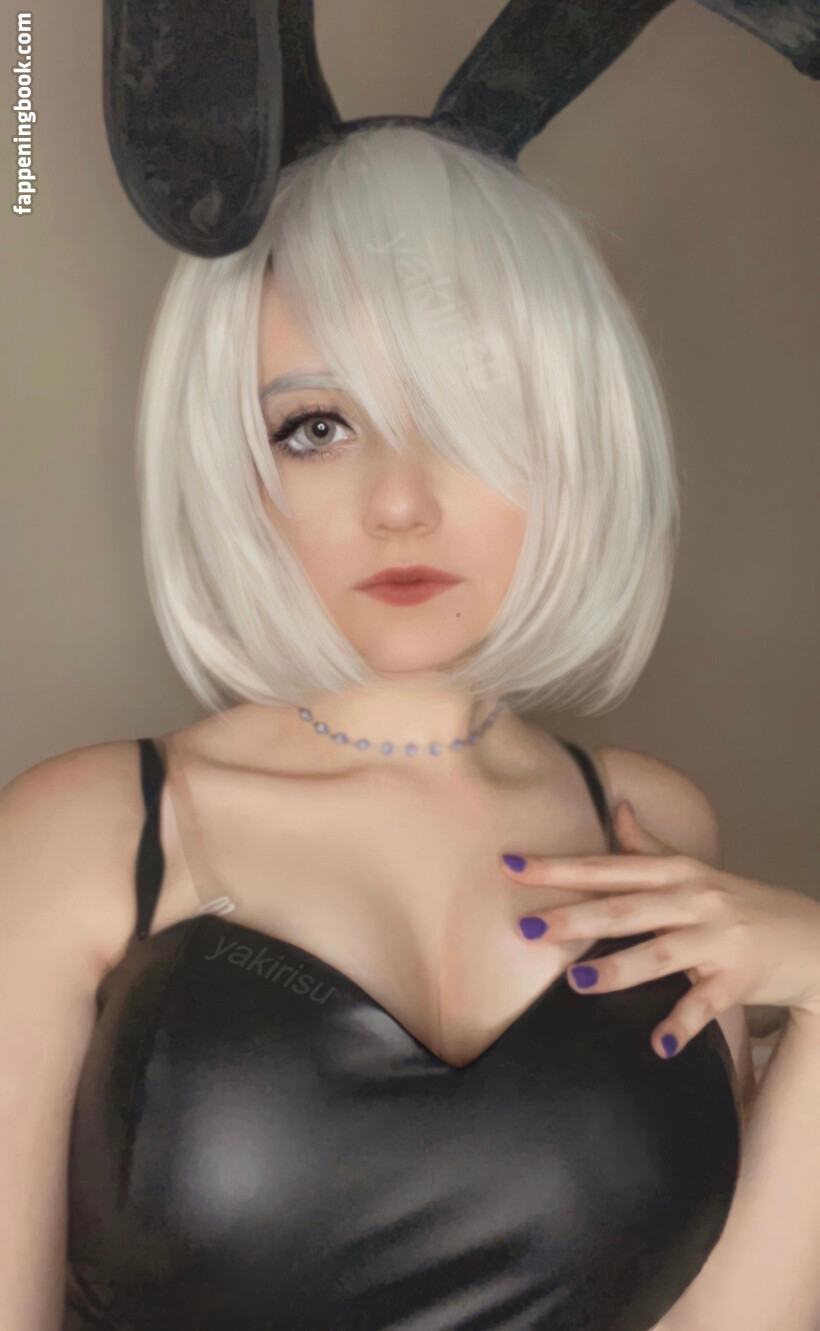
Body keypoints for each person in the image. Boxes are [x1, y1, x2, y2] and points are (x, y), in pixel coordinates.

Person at [1, 123, 819, 1331]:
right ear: (231, 460)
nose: (399, 501)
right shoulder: (86, 833)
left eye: (467, 412)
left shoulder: (645, 820)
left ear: (574, 437)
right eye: (314, 426)